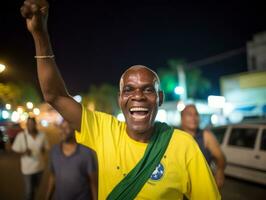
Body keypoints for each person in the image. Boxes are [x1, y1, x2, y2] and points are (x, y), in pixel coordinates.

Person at [20, 0, 221, 199]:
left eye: (148, 90)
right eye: (129, 90)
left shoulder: (184, 146)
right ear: (119, 99)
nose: (138, 96)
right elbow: (54, 95)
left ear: (159, 98)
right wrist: (40, 35)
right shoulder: (103, 130)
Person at [46, 119, 98, 200]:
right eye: (61, 127)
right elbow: (53, 177)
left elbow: (93, 182)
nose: (63, 130)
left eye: (66, 127)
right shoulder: (54, 151)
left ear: (74, 129)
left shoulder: (86, 152)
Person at [181, 104, 226, 189]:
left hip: (202, 186)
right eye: (189, 114)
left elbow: (221, 157)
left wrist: (220, 171)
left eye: (196, 114)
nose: (194, 118)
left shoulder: (206, 136)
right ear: (182, 118)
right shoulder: (177, 136)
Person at [12, 117, 49, 200]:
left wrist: (42, 150)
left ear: (35, 124)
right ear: (26, 125)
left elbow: (45, 148)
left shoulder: (42, 135)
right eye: (28, 124)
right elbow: (15, 151)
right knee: (29, 191)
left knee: (35, 188)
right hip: (27, 169)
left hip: (40, 168)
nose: (30, 126)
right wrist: (24, 152)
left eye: (32, 124)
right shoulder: (21, 136)